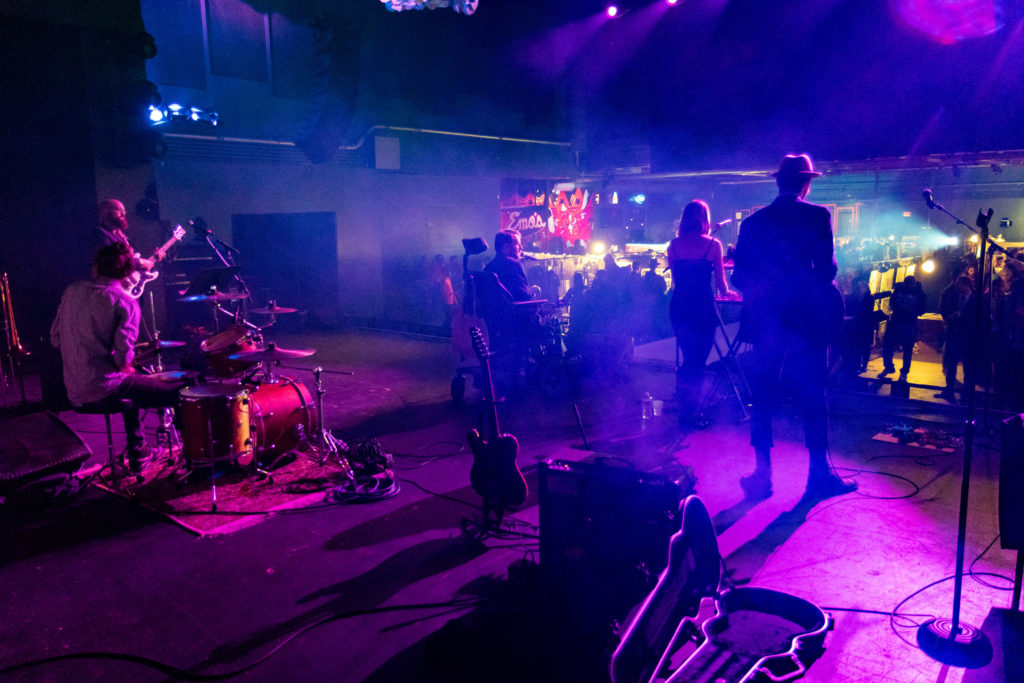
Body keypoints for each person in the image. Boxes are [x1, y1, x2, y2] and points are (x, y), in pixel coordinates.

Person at [731, 154, 857, 501]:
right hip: (806, 320)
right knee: (813, 394)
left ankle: (761, 475)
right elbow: (827, 271)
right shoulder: (818, 216)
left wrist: (767, 291)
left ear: (778, 182)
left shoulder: (753, 223)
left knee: (764, 395)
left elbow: (739, 276)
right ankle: (818, 476)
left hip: (767, 320)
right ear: (806, 183)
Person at [51, 242, 185, 473]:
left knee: (131, 391)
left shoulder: (72, 291)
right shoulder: (125, 302)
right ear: (127, 272)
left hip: (72, 388)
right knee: (182, 391)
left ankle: (139, 451)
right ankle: (195, 451)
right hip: (102, 386)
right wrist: (127, 366)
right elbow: (124, 361)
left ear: (96, 268)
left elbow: (55, 338)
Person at [666, 200, 736, 426]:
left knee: (689, 359)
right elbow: (721, 285)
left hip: (679, 308)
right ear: (704, 219)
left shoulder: (674, 245)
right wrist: (731, 294)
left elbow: (677, 281)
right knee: (697, 362)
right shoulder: (713, 244)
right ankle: (690, 415)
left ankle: (686, 412)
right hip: (702, 308)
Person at [880, 275, 927, 380]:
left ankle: (895, 369)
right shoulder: (917, 292)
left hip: (905, 322)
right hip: (903, 321)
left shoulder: (917, 292)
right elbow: (892, 302)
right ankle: (899, 371)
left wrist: (907, 311)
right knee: (900, 348)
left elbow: (922, 308)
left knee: (903, 348)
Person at [936, 274, 973, 401]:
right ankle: (949, 390)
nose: (956, 286)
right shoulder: (954, 296)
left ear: (965, 285)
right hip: (953, 334)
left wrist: (960, 316)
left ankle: (966, 394)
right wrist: (948, 317)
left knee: (968, 367)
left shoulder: (975, 299)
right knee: (951, 363)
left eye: (959, 283)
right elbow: (944, 309)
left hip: (967, 336)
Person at [95, 198, 158, 274]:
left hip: (126, 283)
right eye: (119, 210)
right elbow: (111, 263)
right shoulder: (99, 234)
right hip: (111, 284)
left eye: (124, 211)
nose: (124, 214)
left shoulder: (122, 236)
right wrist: (139, 262)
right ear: (104, 213)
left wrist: (153, 258)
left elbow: (131, 261)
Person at [484, 229, 533, 301]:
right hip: (515, 311)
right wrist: (532, 292)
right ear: (506, 247)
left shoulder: (488, 267)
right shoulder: (514, 264)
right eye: (517, 244)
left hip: (494, 311)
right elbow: (524, 295)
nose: (521, 247)